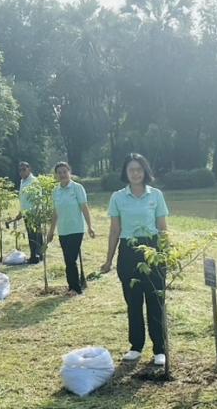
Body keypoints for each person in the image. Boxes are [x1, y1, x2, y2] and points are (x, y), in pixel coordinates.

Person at [100, 153, 170, 368]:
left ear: (145, 171)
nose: (135, 173)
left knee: (155, 302)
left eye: (139, 169)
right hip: (128, 252)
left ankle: (160, 349)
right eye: (131, 170)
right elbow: (114, 230)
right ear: (126, 173)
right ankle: (136, 346)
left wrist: (166, 254)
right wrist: (108, 260)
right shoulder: (118, 197)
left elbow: (163, 228)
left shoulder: (155, 195)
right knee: (133, 302)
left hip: (152, 251)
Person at [48, 162, 95, 295]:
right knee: (67, 259)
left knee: (70, 259)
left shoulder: (77, 188)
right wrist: (51, 231)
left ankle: (75, 288)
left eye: (64, 172)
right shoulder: (55, 191)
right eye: (59, 173)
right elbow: (55, 213)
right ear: (56, 175)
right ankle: (73, 286)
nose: (62, 175)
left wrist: (90, 226)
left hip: (76, 229)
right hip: (63, 230)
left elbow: (84, 208)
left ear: (69, 172)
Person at [11, 161, 43, 263]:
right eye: (20, 170)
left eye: (24, 169)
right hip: (26, 213)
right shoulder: (22, 182)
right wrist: (20, 213)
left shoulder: (34, 181)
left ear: (29, 169)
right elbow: (23, 199)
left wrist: (38, 212)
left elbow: (38, 198)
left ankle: (37, 256)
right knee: (31, 235)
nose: (22, 172)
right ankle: (34, 255)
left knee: (36, 235)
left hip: (34, 213)